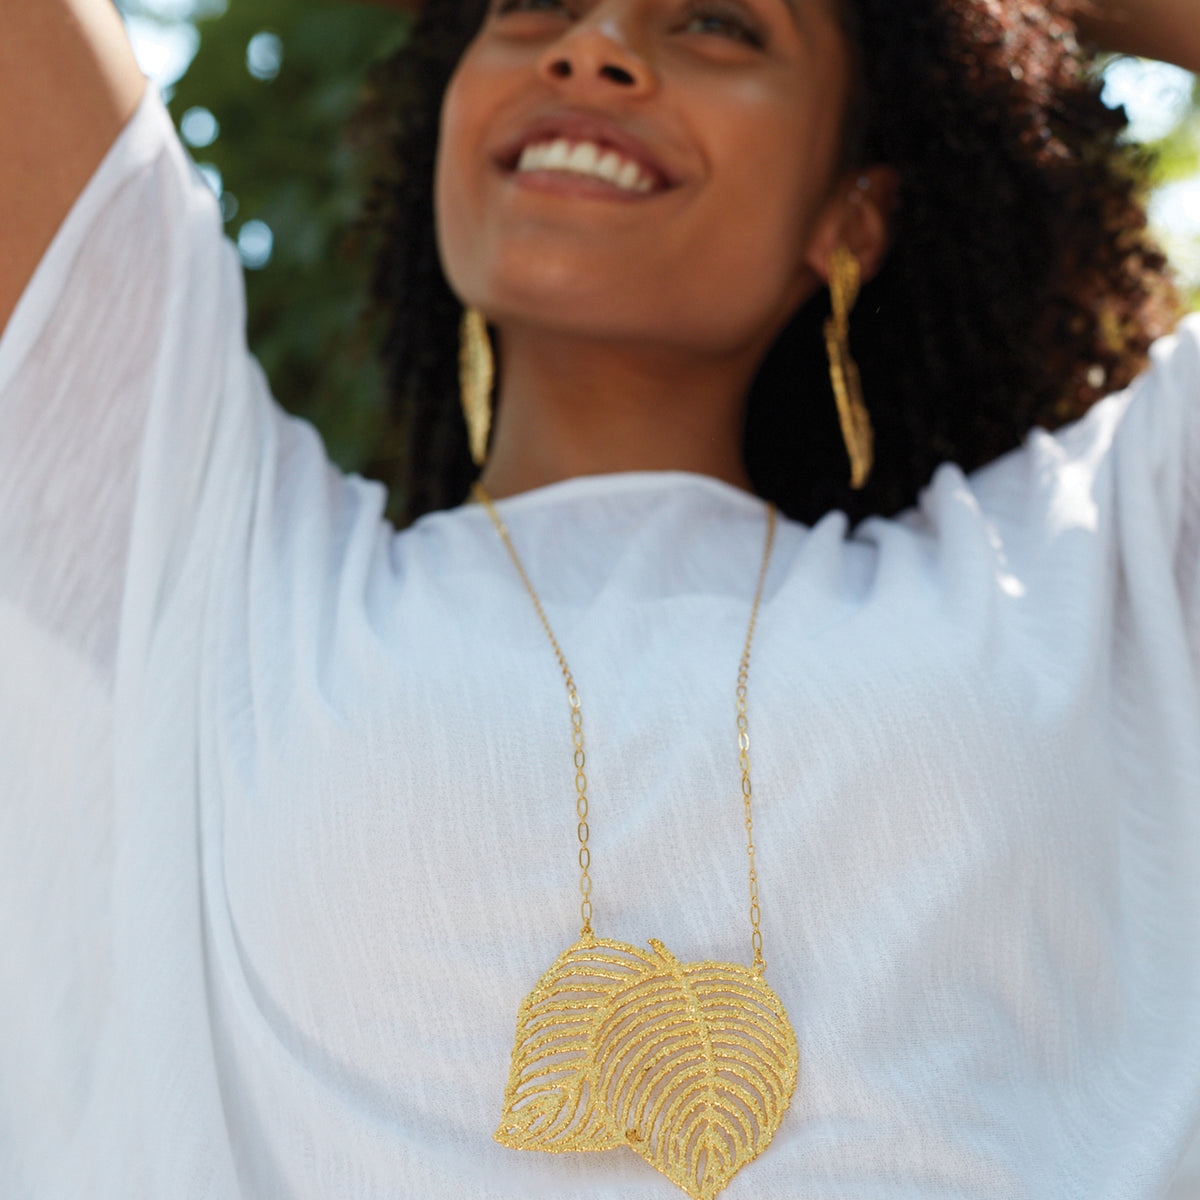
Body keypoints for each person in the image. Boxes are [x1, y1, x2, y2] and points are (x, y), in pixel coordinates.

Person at [0, 0, 1198, 1195]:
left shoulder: (1093, 565)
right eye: (533, 9)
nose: (594, 47)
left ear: (853, 219)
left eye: (720, 24)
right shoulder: (208, 574)